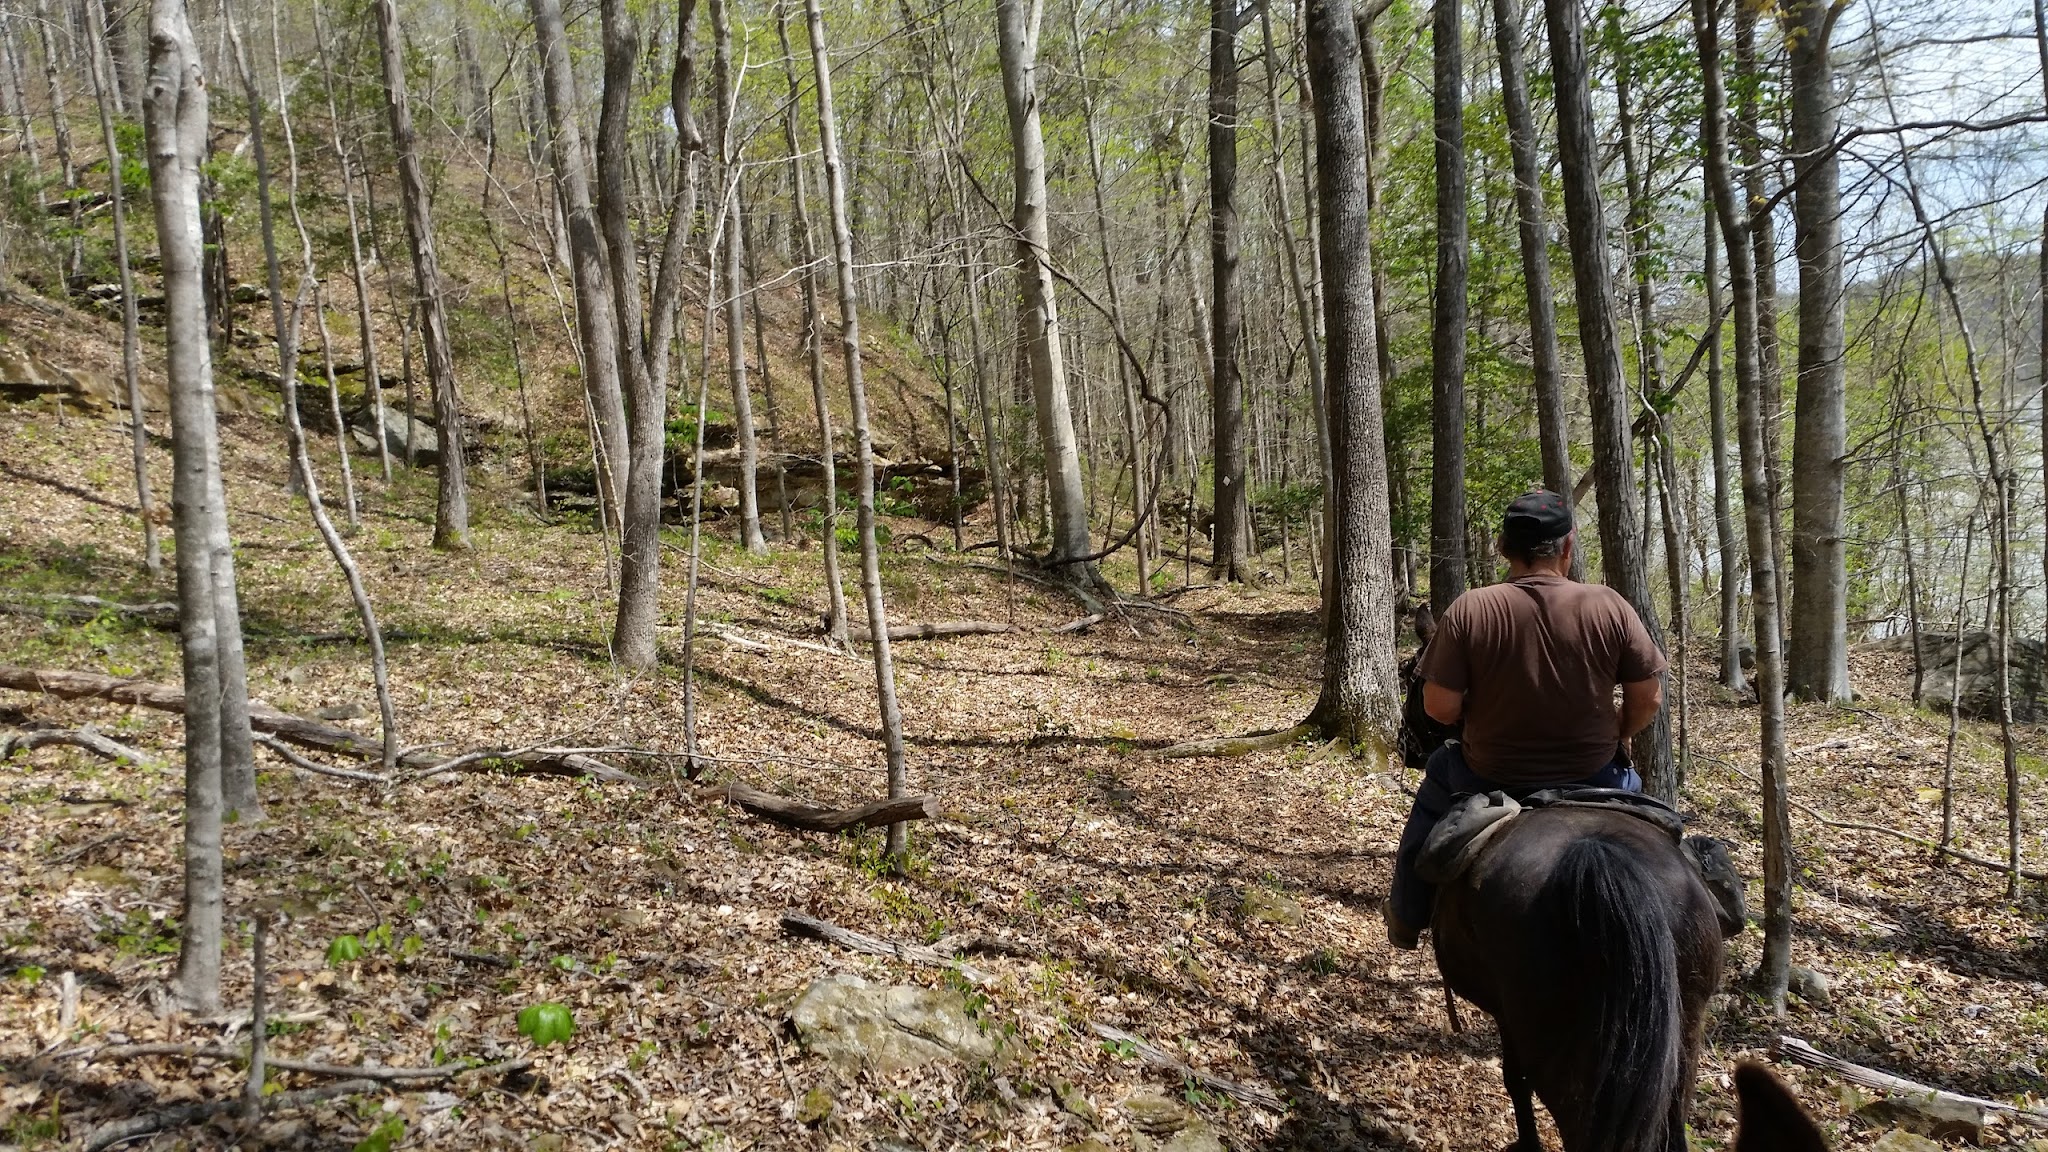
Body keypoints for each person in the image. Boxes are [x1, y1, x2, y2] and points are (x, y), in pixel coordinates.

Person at [1382, 489, 1667, 949]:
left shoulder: (1472, 608)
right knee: (1663, 830)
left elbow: (1438, 708)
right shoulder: (1609, 605)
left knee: (1436, 780)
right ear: (1568, 546)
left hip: (1490, 774)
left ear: (1502, 547)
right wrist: (1618, 729)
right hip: (1594, 774)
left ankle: (1406, 914)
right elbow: (1648, 698)